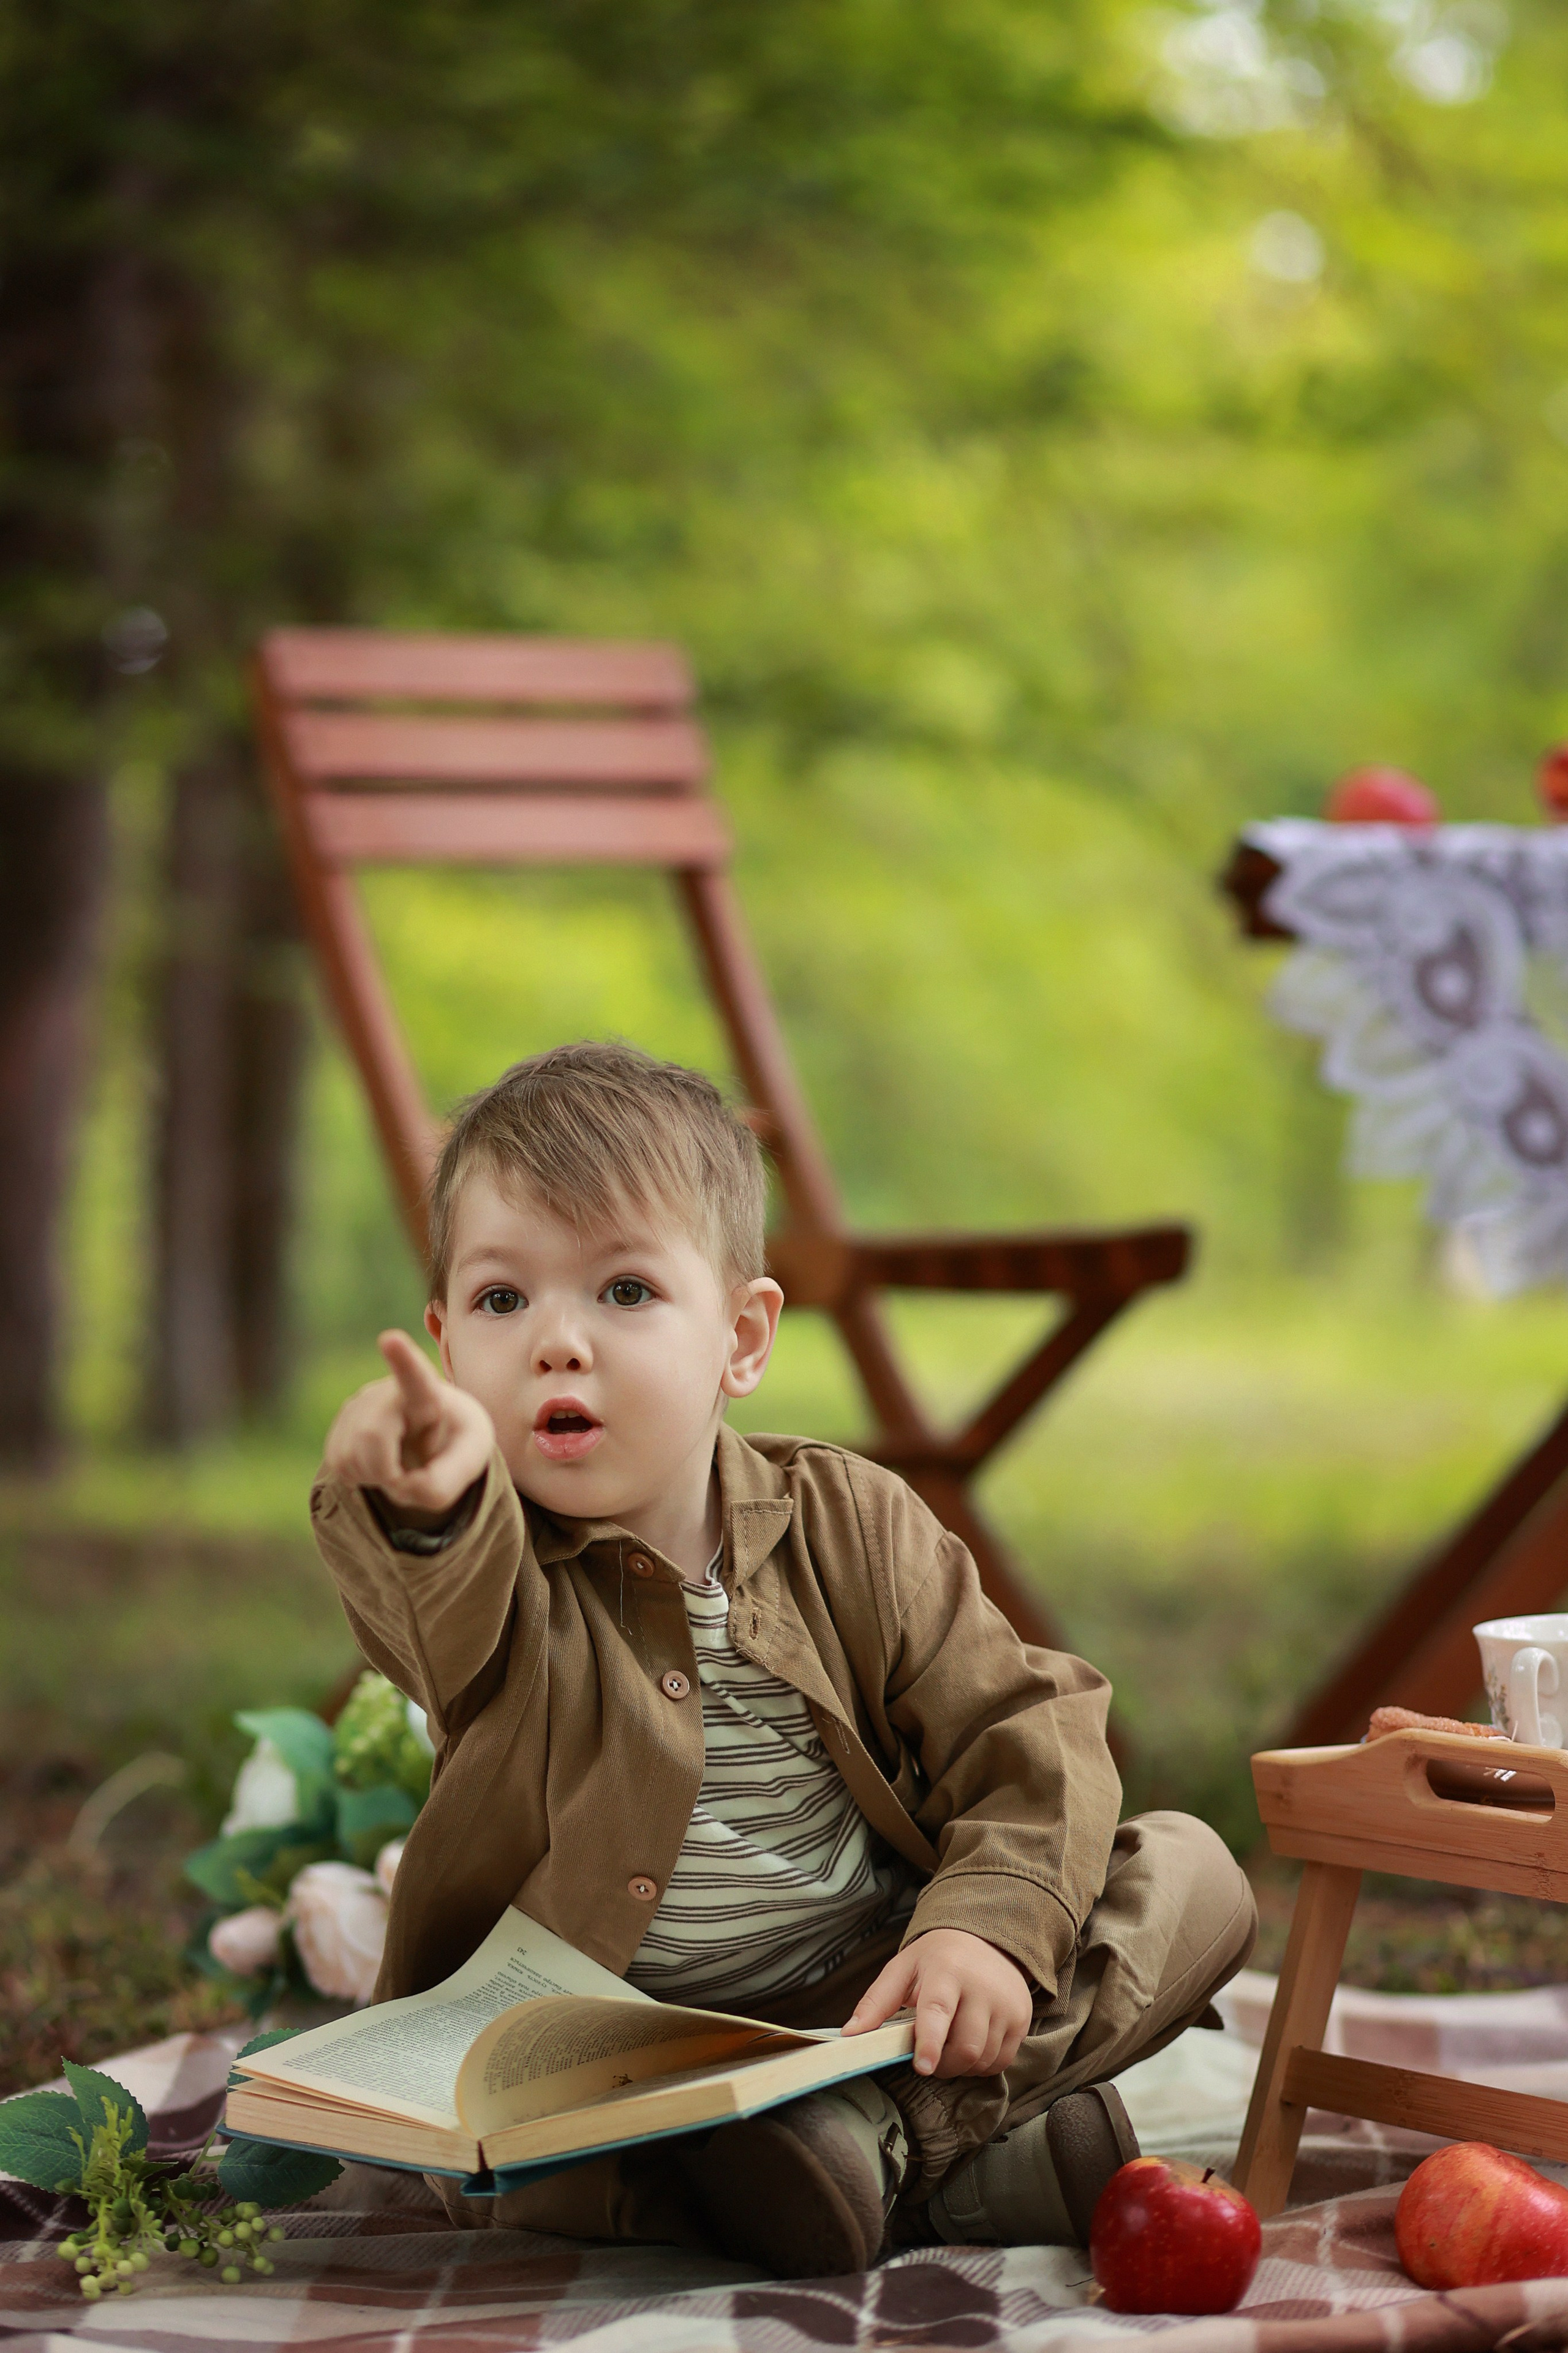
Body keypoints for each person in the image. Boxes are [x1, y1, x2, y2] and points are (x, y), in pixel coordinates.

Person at [313, 1041, 1256, 2276]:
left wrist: (981, 1931)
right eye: (502, 1301)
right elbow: (427, 1608)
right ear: (445, 1349)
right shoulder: (494, 1585)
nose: (556, 1341)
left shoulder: (849, 1522)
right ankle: (961, 2166)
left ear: (741, 1338)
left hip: (868, 1994)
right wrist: (415, 1506)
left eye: (624, 1291)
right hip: (604, 2039)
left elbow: (1024, 1736)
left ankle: (872, 2137)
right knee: (511, 2161)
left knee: (1189, 1872)